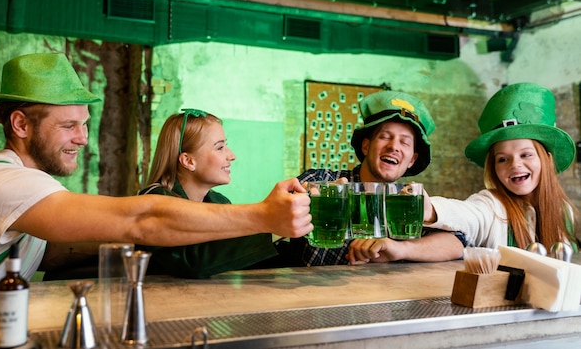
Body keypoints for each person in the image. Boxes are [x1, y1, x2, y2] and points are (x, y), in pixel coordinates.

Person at [0, 53, 312, 280]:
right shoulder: (1, 182)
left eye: (85, 125)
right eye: (68, 126)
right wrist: (267, 216)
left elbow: (54, 251)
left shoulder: (23, 186)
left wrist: (145, 249)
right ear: (20, 125)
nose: (83, 139)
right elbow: (141, 219)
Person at [292, 90, 465, 266]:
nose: (393, 147)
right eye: (385, 137)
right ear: (366, 146)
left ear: (412, 160)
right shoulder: (321, 179)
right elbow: (280, 210)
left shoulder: (408, 201)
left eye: (404, 142)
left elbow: (457, 243)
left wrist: (400, 249)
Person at [424, 82, 579, 252]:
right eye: (503, 159)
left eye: (526, 154)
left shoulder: (564, 211)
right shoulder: (491, 206)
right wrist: (430, 209)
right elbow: (468, 214)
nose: (515, 164)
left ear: (547, 160)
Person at [136, 109, 281, 278]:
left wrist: (299, 224)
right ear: (188, 161)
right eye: (220, 147)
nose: (232, 156)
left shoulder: (218, 201)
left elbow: (235, 259)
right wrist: (276, 224)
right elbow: (192, 263)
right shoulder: (155, 201)